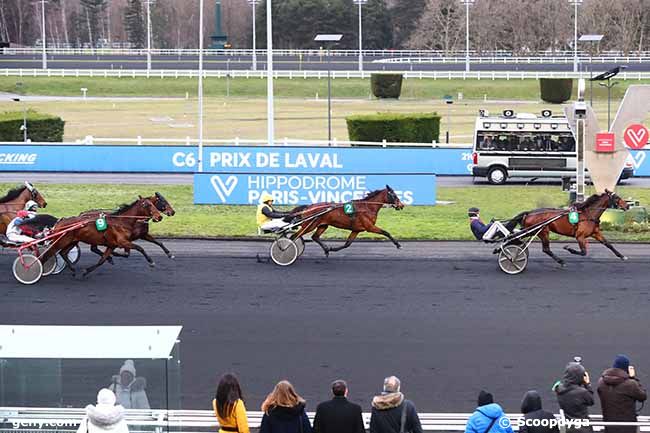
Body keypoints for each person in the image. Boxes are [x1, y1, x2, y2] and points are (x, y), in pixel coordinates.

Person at [597, 355, 647, 433]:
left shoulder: (601, 382)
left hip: (609, 426)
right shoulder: (630, 384)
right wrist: (633, 378)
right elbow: (643, 396)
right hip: (628, 427)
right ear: (626, 368)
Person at [553, 362, 594, 433]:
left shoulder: (559, 389)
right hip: (583, 429)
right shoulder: (582, 392)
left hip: (568, 428)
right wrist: (587, 384)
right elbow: (591, 401)